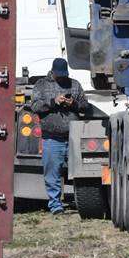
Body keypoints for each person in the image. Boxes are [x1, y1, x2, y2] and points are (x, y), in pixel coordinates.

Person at [25, 57, 91, 215]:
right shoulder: (41, 85)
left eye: (64, 74)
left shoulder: (74, 84)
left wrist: (73, 104)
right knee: (52, 173)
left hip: (73, 136)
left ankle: (83, 202)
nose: (62, 77)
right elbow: (35, 106)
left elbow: (85, 105)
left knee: (82, 172)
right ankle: (55, 205)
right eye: (59, 74)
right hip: (52, 137)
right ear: (53, 72)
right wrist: (53, 102)